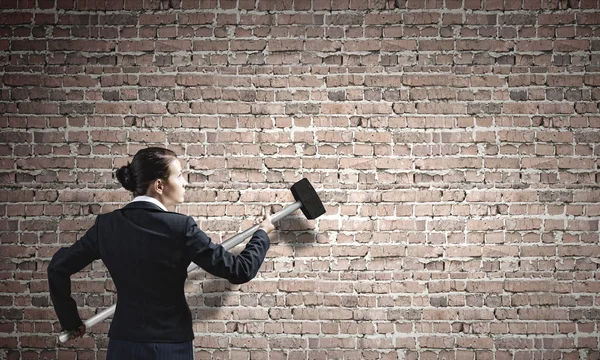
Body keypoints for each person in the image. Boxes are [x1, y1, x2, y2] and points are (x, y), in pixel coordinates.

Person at [48, 147, 275, 359]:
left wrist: (70, 321)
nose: (185, 183)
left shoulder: (106, 226)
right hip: (171, 345)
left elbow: (59, 267)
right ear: (159, 185)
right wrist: (262, 234)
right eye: (179, 176)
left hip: (124, 344)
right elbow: (240, 270)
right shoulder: (181, 227)